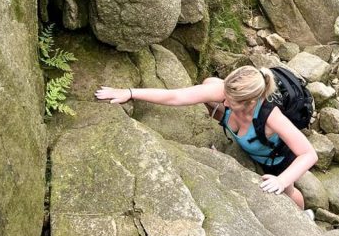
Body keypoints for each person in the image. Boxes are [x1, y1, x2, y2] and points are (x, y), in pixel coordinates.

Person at [95, 65, 318, 209]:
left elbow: (309, 154)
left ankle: (303, 215)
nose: (225, 102)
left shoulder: (272, 117)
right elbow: (176, 97)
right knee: (209, 85)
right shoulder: (227, 93)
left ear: (251, 102)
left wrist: (281, 180)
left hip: (274, 159)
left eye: (232, 102)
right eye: (225, 96)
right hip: (250, 142)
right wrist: (130, 92)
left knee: (289, 193)